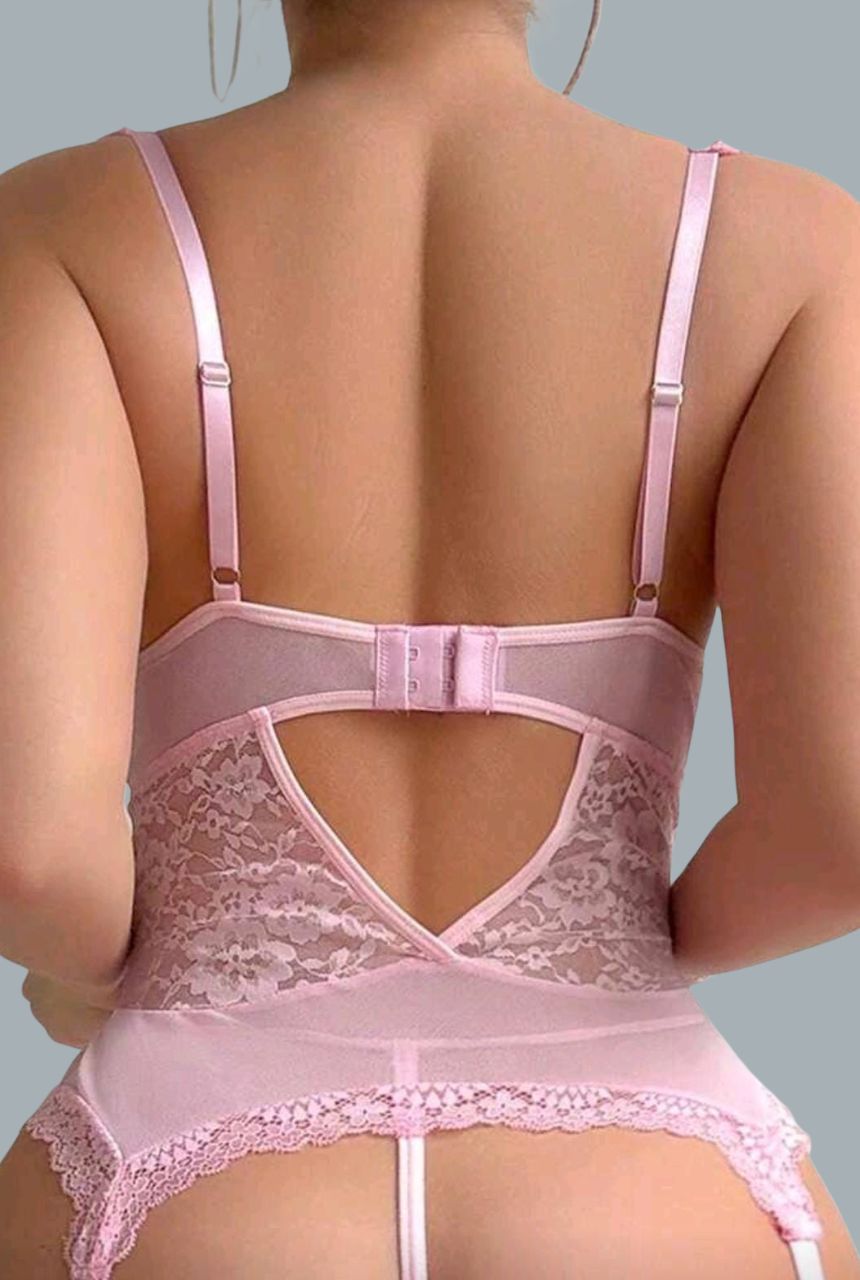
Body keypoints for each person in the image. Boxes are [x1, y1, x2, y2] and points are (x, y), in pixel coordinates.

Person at [0, 1, 859, 1276]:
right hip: (651, 1179)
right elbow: (840, 826)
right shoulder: (789, 242)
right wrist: (592, 950)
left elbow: (29, 855)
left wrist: (88, 973)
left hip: (189, 1171)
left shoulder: (62, 225)